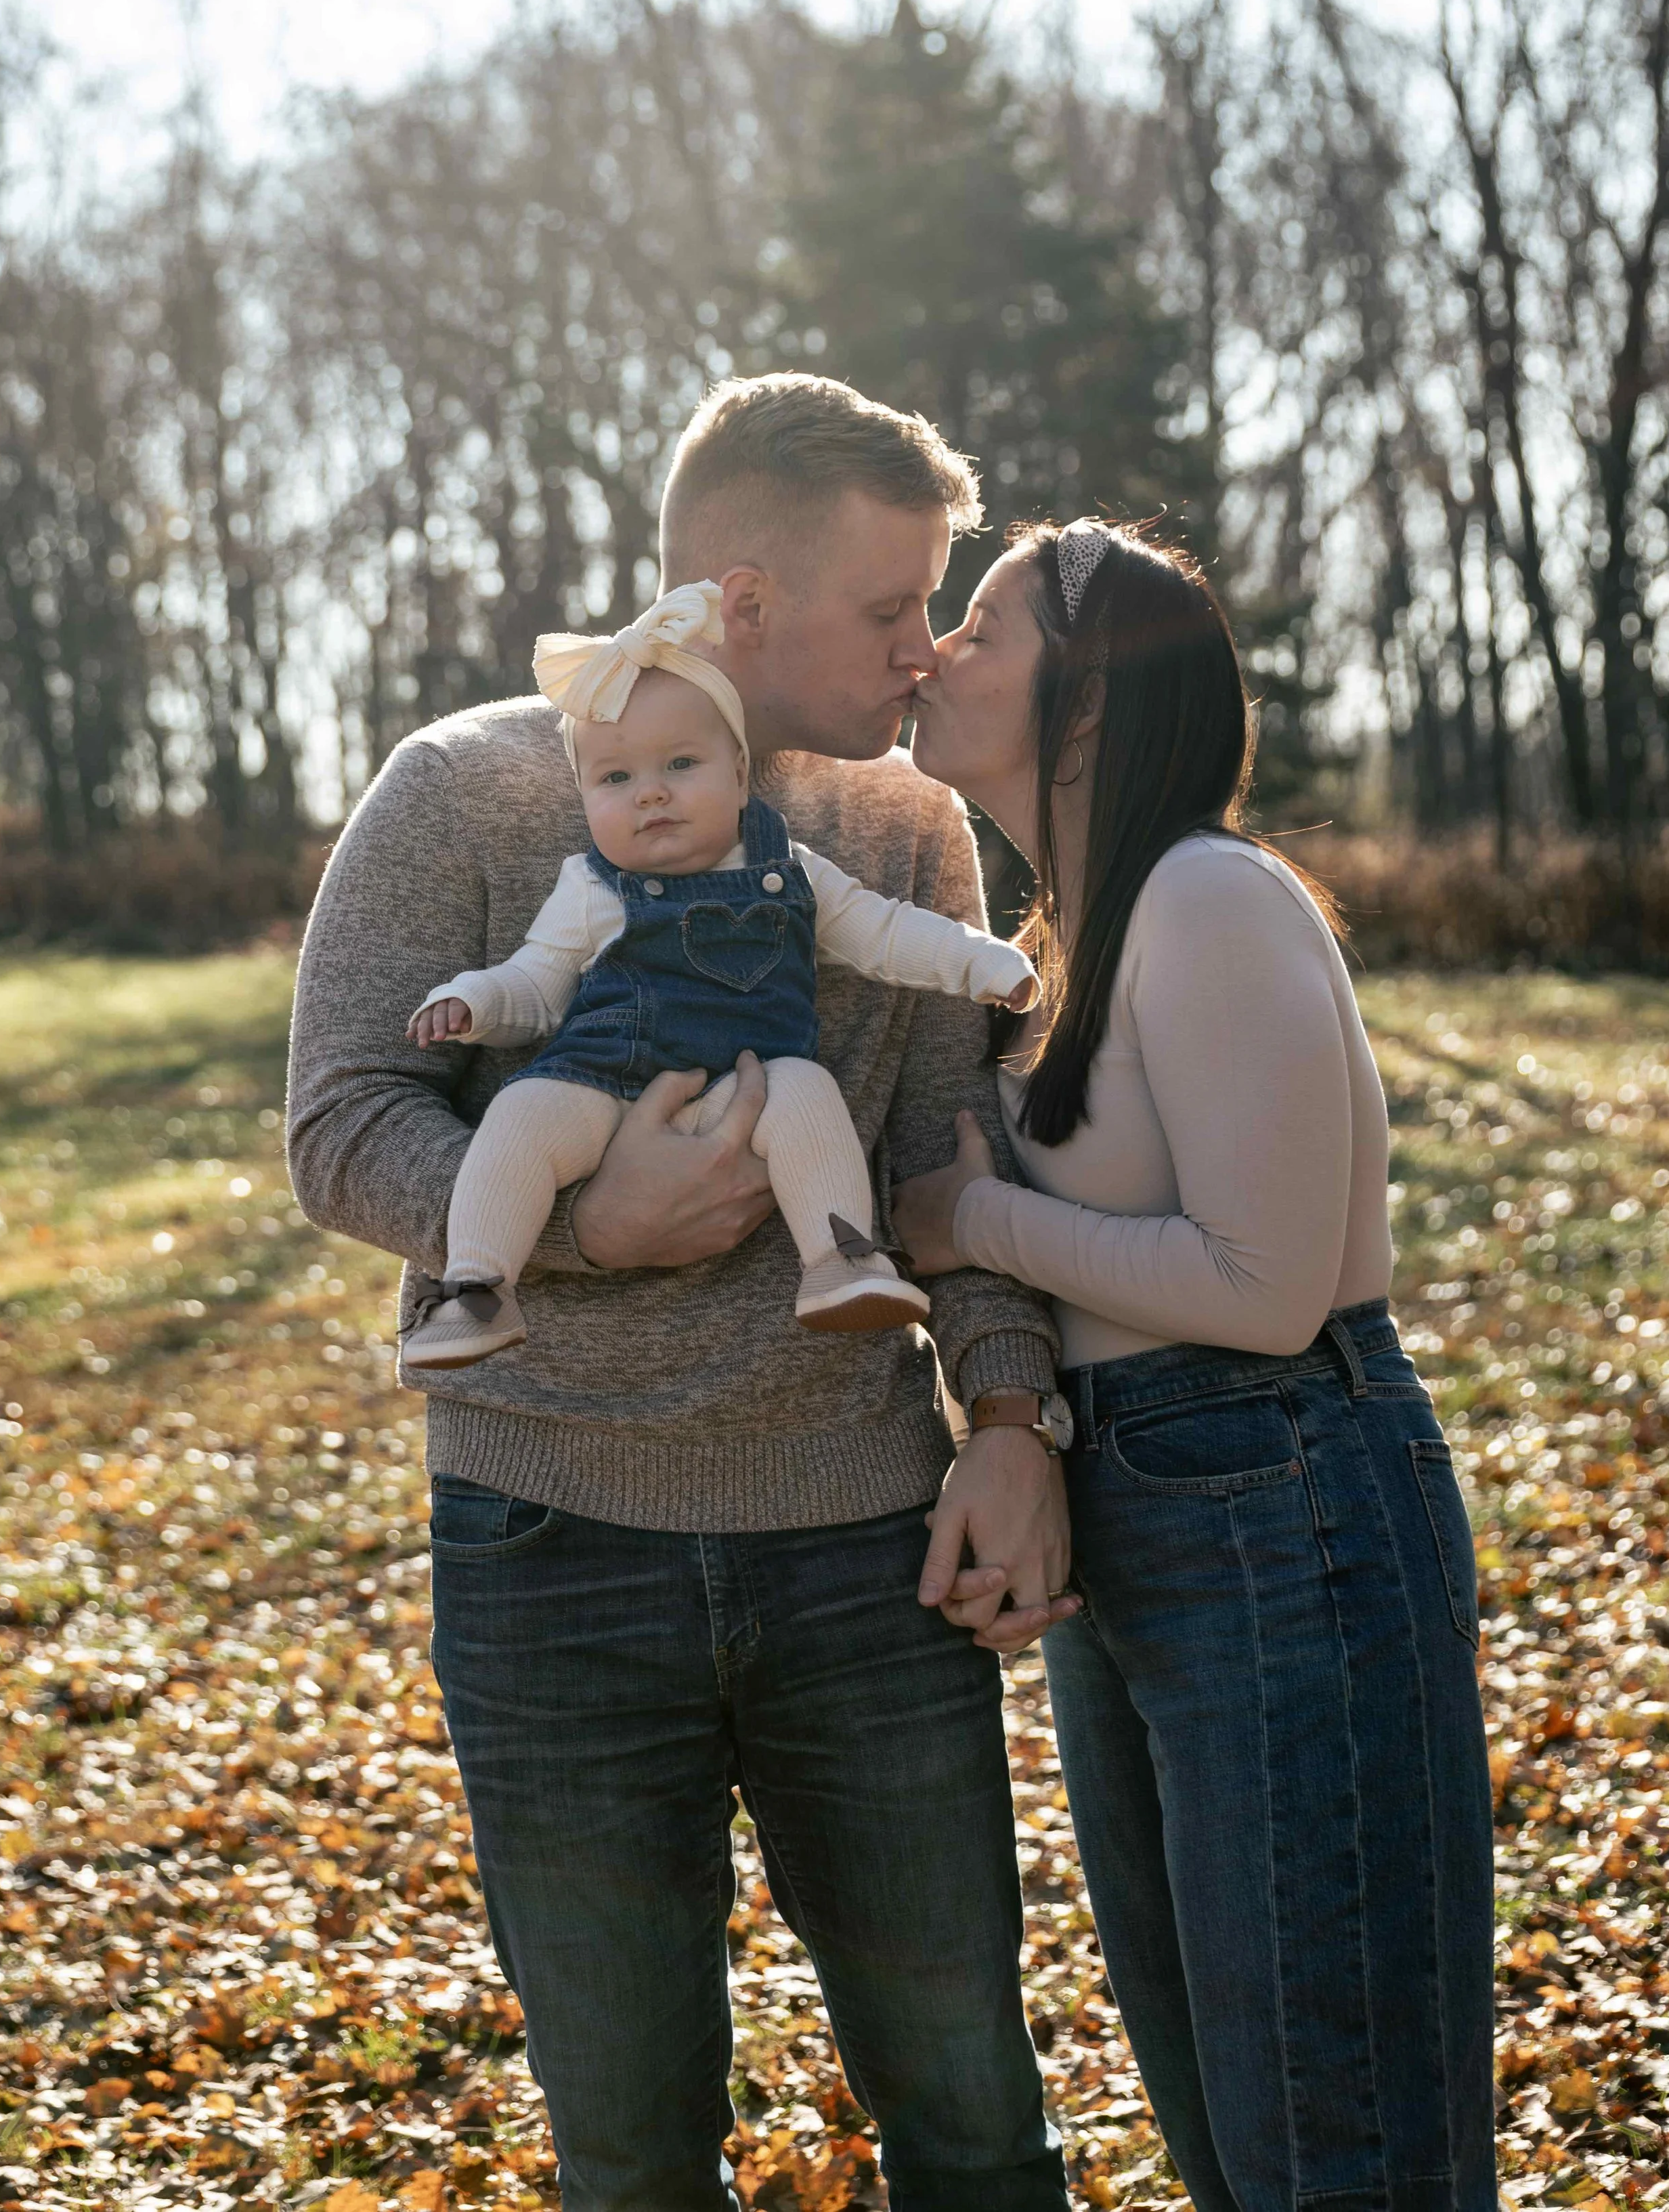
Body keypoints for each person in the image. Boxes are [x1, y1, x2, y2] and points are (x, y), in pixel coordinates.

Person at [285, 375, 1075, 2212]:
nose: (924, 645)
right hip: (545, 1549)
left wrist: (1010, 1414)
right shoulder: (467, 786)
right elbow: (339, 1120)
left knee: (974, 2125)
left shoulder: (906, 829)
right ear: (745, 600)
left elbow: (953, 1163)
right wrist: (590, 1222)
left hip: (863, 1551)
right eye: (891, 605)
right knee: (634, 2153)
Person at [896, 517, 1496, 2212]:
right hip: (1145, 1512)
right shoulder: (1063, 935)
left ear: (1087, 702)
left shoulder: (1206, 895)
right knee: (1229, 2134)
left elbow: (1263, 1285)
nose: (935, 650)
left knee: (1337, 2134)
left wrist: (972, 1219)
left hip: (1288, 1506)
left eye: (984, 626)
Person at [396, 578, 1037, 1367]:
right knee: (520, 1113)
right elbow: (535, 984)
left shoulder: (788, 870)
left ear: (737, 773)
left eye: (680, 763)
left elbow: (885, 932)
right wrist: (473, 1000)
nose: (651, 793)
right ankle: (477, 1288)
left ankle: (841, 1260)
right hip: (599, 1086)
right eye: (615, 779)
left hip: (746, 1086)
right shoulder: (592, 886)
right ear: (584, 797)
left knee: (808, 1092)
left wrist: (983, 962)